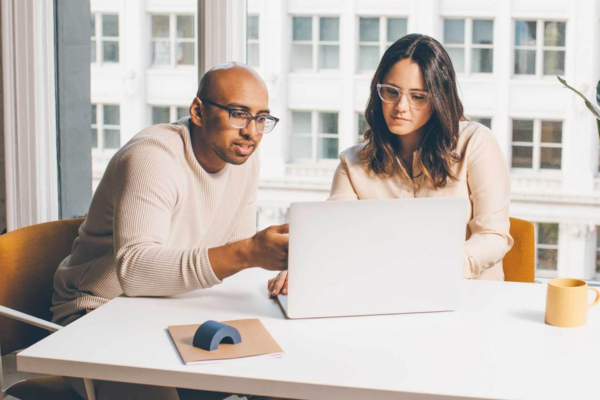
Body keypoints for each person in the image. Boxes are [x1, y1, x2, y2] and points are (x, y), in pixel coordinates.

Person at [52, 62, 288, 400]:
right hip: (95, 313)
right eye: (238, 113)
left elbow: (234, 254)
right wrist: (249, 252)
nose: (252, 132)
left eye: (261, 118)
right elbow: (134, 271)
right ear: (197, 111)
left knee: (279, 377)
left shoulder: (242, 158)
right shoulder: (153, 156)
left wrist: (280, 261)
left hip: (174, 308)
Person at [268, 34, 513, 296]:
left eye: (418, 96)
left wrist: (433, 270)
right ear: (379, 91)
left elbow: (493, 237)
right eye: (391, 92)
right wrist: (307, 268)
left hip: (471, 299)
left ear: (439, 99)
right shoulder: (352, 164)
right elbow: (335, 240)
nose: (400, 107)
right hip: (383, 299)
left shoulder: (475, 142)